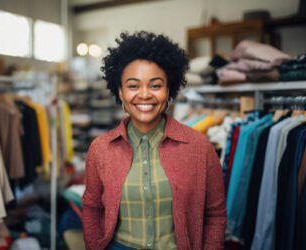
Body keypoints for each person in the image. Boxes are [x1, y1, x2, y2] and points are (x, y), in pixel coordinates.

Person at [82, 31, 226, 250]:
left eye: (156, 85)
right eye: (133, 86)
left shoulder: (199, 146)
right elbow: (92, 208)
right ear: (120, 92)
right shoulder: (100, 149)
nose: (145, 94)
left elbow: (215, 214)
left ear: (169, 90)